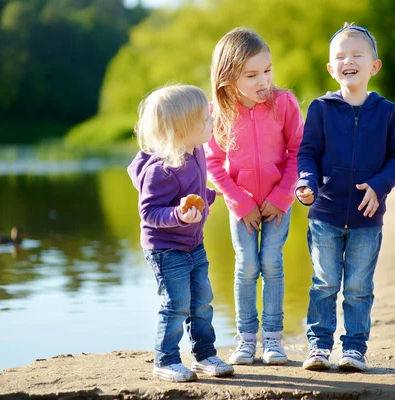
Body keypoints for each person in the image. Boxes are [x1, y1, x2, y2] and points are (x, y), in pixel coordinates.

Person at [295, 23, 395, 372]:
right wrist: (307, 182)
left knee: (358, 287)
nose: (349, 61)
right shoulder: (320, 108)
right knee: (324, 283)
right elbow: (308, 152)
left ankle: (354, 349)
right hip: (325, 212)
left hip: (366, 216)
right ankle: (318, 347)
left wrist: (380, 184)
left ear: (374, 66)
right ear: (331, 68)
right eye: (340, 56)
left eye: (357, 55)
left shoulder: (388, 112)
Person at [205, 27, 304, 366]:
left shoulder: (284, 103)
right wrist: (240, 202)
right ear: (229, 78)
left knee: (272, 264)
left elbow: (297, 152)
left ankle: (274, 341)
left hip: (279, 203)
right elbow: (213, 164)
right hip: (242, 206)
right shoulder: (220, 114)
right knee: (246, 266)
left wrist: (281, 196)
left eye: (267, 70)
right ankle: (246, 340)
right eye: (252, 74)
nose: (264, 80)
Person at [127, 84, 234, 382]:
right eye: (205, 118)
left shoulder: (197, 150)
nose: (212, 122)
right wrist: (178, 214)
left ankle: (204, 354)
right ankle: (166, 359)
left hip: (193, 245)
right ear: (182, 128)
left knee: (202, 301)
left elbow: (194, 191)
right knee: (176, 304)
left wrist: (211, 197)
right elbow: (149, 213)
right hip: (165, 249)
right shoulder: (161, 171)